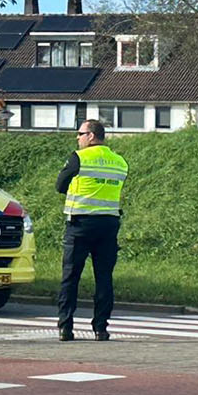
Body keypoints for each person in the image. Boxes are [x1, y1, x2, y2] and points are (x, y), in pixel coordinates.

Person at [56, 119, 127, 342]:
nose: (77, 138)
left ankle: (66, 327)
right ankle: (101, 329)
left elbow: (60, 185)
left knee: (71, 276)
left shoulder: (79, 157)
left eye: (80, 133)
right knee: (104, 278)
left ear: (92, 136)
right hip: (108, 224)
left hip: (80, 224)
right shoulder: (120, 162)